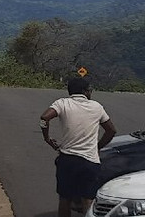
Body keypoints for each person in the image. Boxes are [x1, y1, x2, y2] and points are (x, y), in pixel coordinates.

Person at [40, 75, 117, 217]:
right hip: (89, 161)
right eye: (90, 90)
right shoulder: (97, 107)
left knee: (65, 198)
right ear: (85, 91)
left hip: (67, 160)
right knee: (87, 199)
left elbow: (44, 118)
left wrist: (47, 139)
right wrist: (98, 146)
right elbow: (111, 130)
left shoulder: (62, 103)